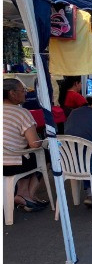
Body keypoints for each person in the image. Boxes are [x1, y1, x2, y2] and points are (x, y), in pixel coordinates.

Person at [3, 79, 49, 212]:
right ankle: (26, 195)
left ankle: (23, 195)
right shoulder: (22, 113)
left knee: (28, 155)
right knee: (45, 154)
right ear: (12, 93)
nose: (26, 94)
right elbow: (34, 143)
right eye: (23, 91)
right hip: (11, 164)